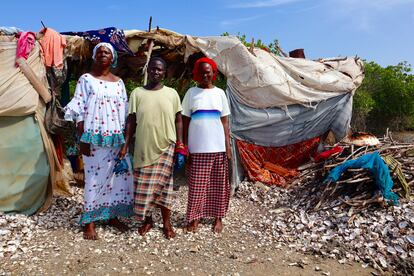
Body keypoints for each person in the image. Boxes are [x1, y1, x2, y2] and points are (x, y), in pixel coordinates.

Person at [64, 42, 134, 240]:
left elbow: (126, 112)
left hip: (116, 138)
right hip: (93, 138)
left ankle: (111, 216)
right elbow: (78, 108)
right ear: (95, 57)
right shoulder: (86, 80)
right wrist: (82, 138)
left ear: (113, 59)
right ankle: (90, 221)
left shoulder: (119, 82)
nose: (103, 54)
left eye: (107, 52)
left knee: (116, 178)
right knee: (93, 180)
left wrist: (125, 143)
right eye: (100, 52)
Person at [120, 57, 183, 239]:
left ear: (164, 72)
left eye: (160, 70)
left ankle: (167, 223)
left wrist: (180, 144)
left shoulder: (172, 93)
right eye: (153, 69)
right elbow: (131, 121)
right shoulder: (137, 93)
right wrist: (125, 144)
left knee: (164, 188)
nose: (156, 72)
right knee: (142, 188)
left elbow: (179, 120)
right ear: (148, 70)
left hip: (166, 147)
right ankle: (147, 220)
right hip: (143, 147)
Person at [182, 57, 231, 233]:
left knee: (218, 185)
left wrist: (228, 147)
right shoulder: (191, 94)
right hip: (197, 148)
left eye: (208, 72)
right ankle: (194, 217)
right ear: (196, 74)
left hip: (218, 147)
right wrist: (185, 146)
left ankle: (218, 218)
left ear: (213, 73)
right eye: (201, 72)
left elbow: (225, 122)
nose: (204, 75)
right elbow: (185, 121)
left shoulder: (220, 94)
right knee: (196, 185)